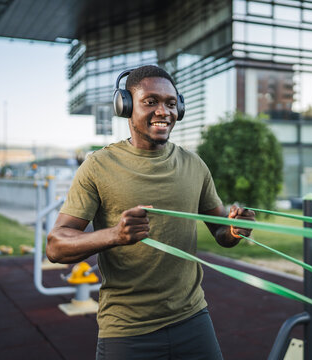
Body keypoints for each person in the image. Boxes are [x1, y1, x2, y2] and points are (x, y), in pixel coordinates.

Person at [46, 65, 255, 360]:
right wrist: (115, 235)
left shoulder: (194, 165)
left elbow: (221, 232)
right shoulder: (98, 166)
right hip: (127, 330)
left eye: (171, 103)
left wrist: (235, 229)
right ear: (125, 106)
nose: (163, 111)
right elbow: (56, 245)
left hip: (193, 317)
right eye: (150, 102)